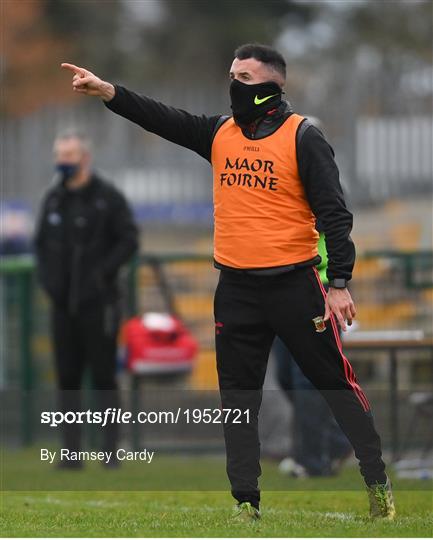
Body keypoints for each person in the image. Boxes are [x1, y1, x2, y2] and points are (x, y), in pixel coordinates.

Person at [61, 43, 395, 518]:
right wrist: (109, 92)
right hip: (236, 289)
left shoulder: (303, 137)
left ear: (271, 87)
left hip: (296, 285)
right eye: (231, 75)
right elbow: (163, 118)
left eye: (243, 77)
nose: (233, 85)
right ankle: (246, 501)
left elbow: (335, 215)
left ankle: (376, 479)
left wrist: (339, 281)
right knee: (238, 401)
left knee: (334, 386)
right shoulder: (220, 132)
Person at [35, 129, 138, 467]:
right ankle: (71, 453)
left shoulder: (107, 198)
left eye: (69, 155)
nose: (63, 162)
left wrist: (101, 275)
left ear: (84, 158)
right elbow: (41, 247)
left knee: (104, 376)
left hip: (100, 304)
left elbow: (128, 240)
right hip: (63, 306)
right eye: (59, 155)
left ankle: (110, 452)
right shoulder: (53, 200)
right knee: (67, 378)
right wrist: (51, 284)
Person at [275, 225, 352, 478]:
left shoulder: (316, 188)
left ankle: (312, 460)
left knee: (306, 380)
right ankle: (336, 441)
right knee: (286, 376)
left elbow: (333, 223)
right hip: (282, 289)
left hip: (319, 287)